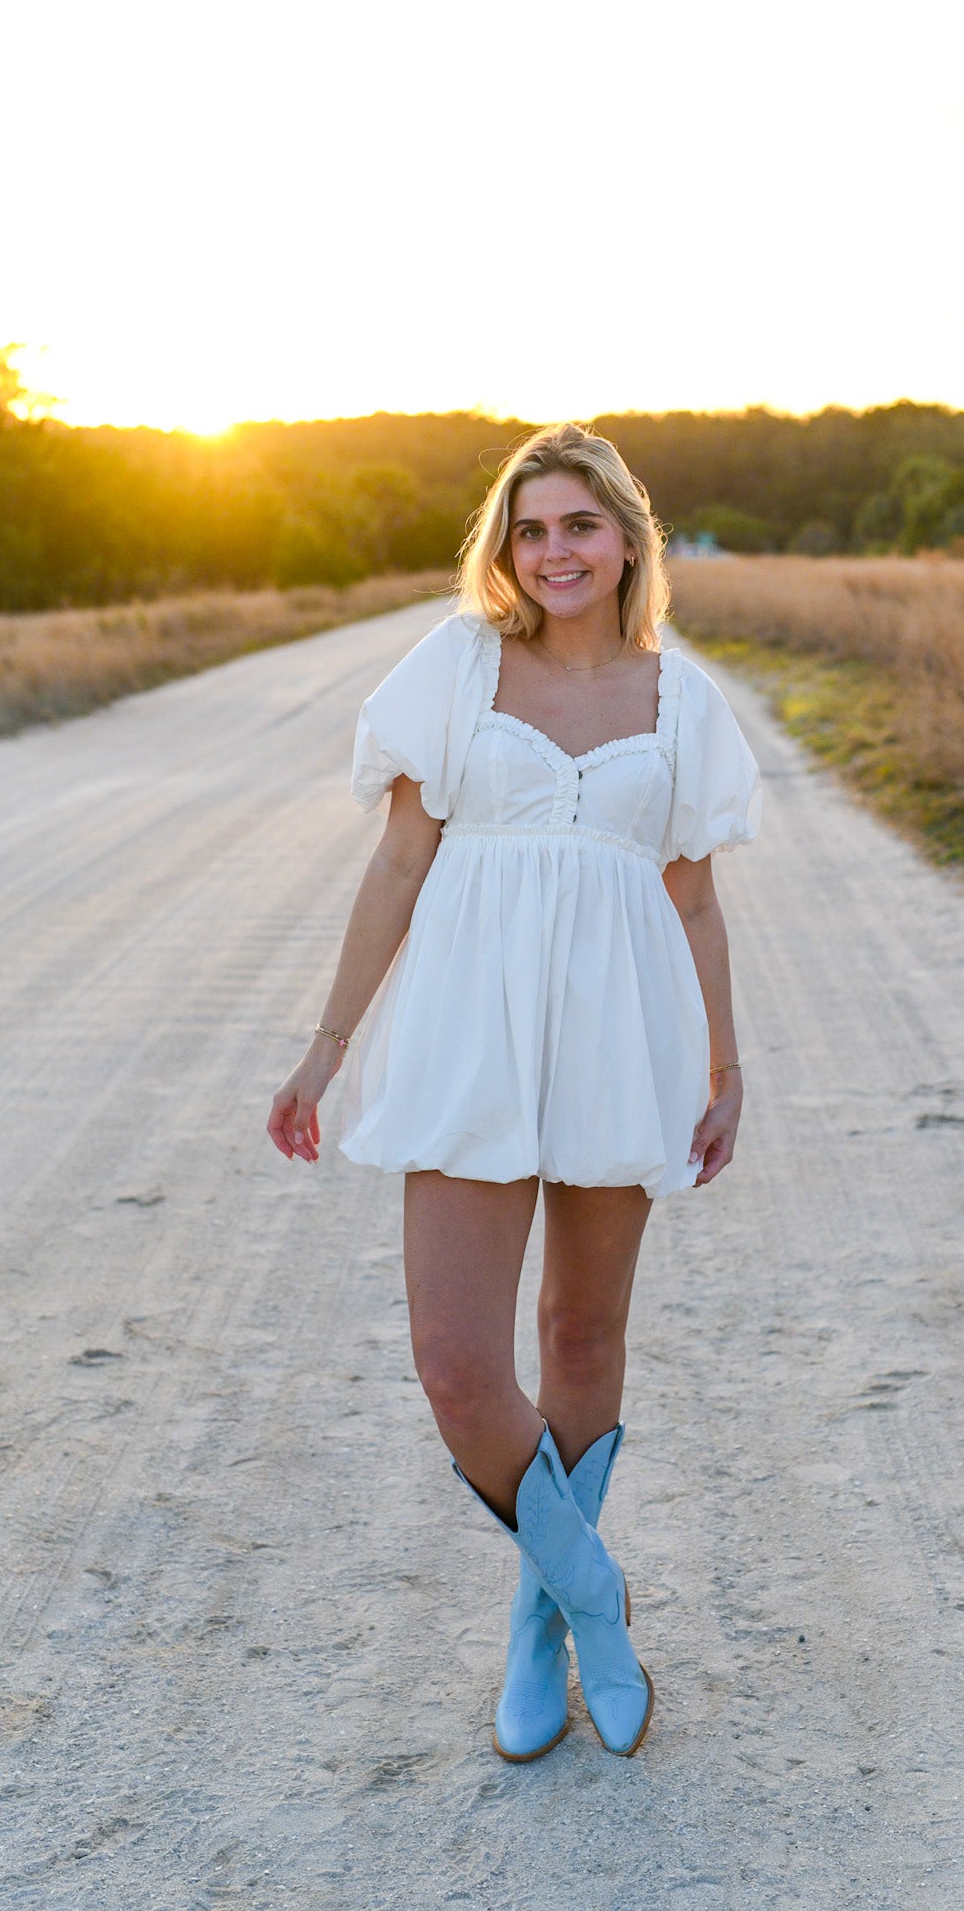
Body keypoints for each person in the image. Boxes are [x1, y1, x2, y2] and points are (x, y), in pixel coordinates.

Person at [267, 423, 761, 1761]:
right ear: (506, 546)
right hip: (468, 1033)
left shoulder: (680, 696)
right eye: (529, 528)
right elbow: (394, 868)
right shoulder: (457, 667)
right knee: (454, 1363)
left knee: (584, 1340)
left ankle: (537, 1620)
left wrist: (722, 1069)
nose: (553, 552)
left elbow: (697, 898)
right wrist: (325, 1046)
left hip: (622, 1035)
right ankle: (592, 1598)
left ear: (625, 542)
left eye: (579, 526)